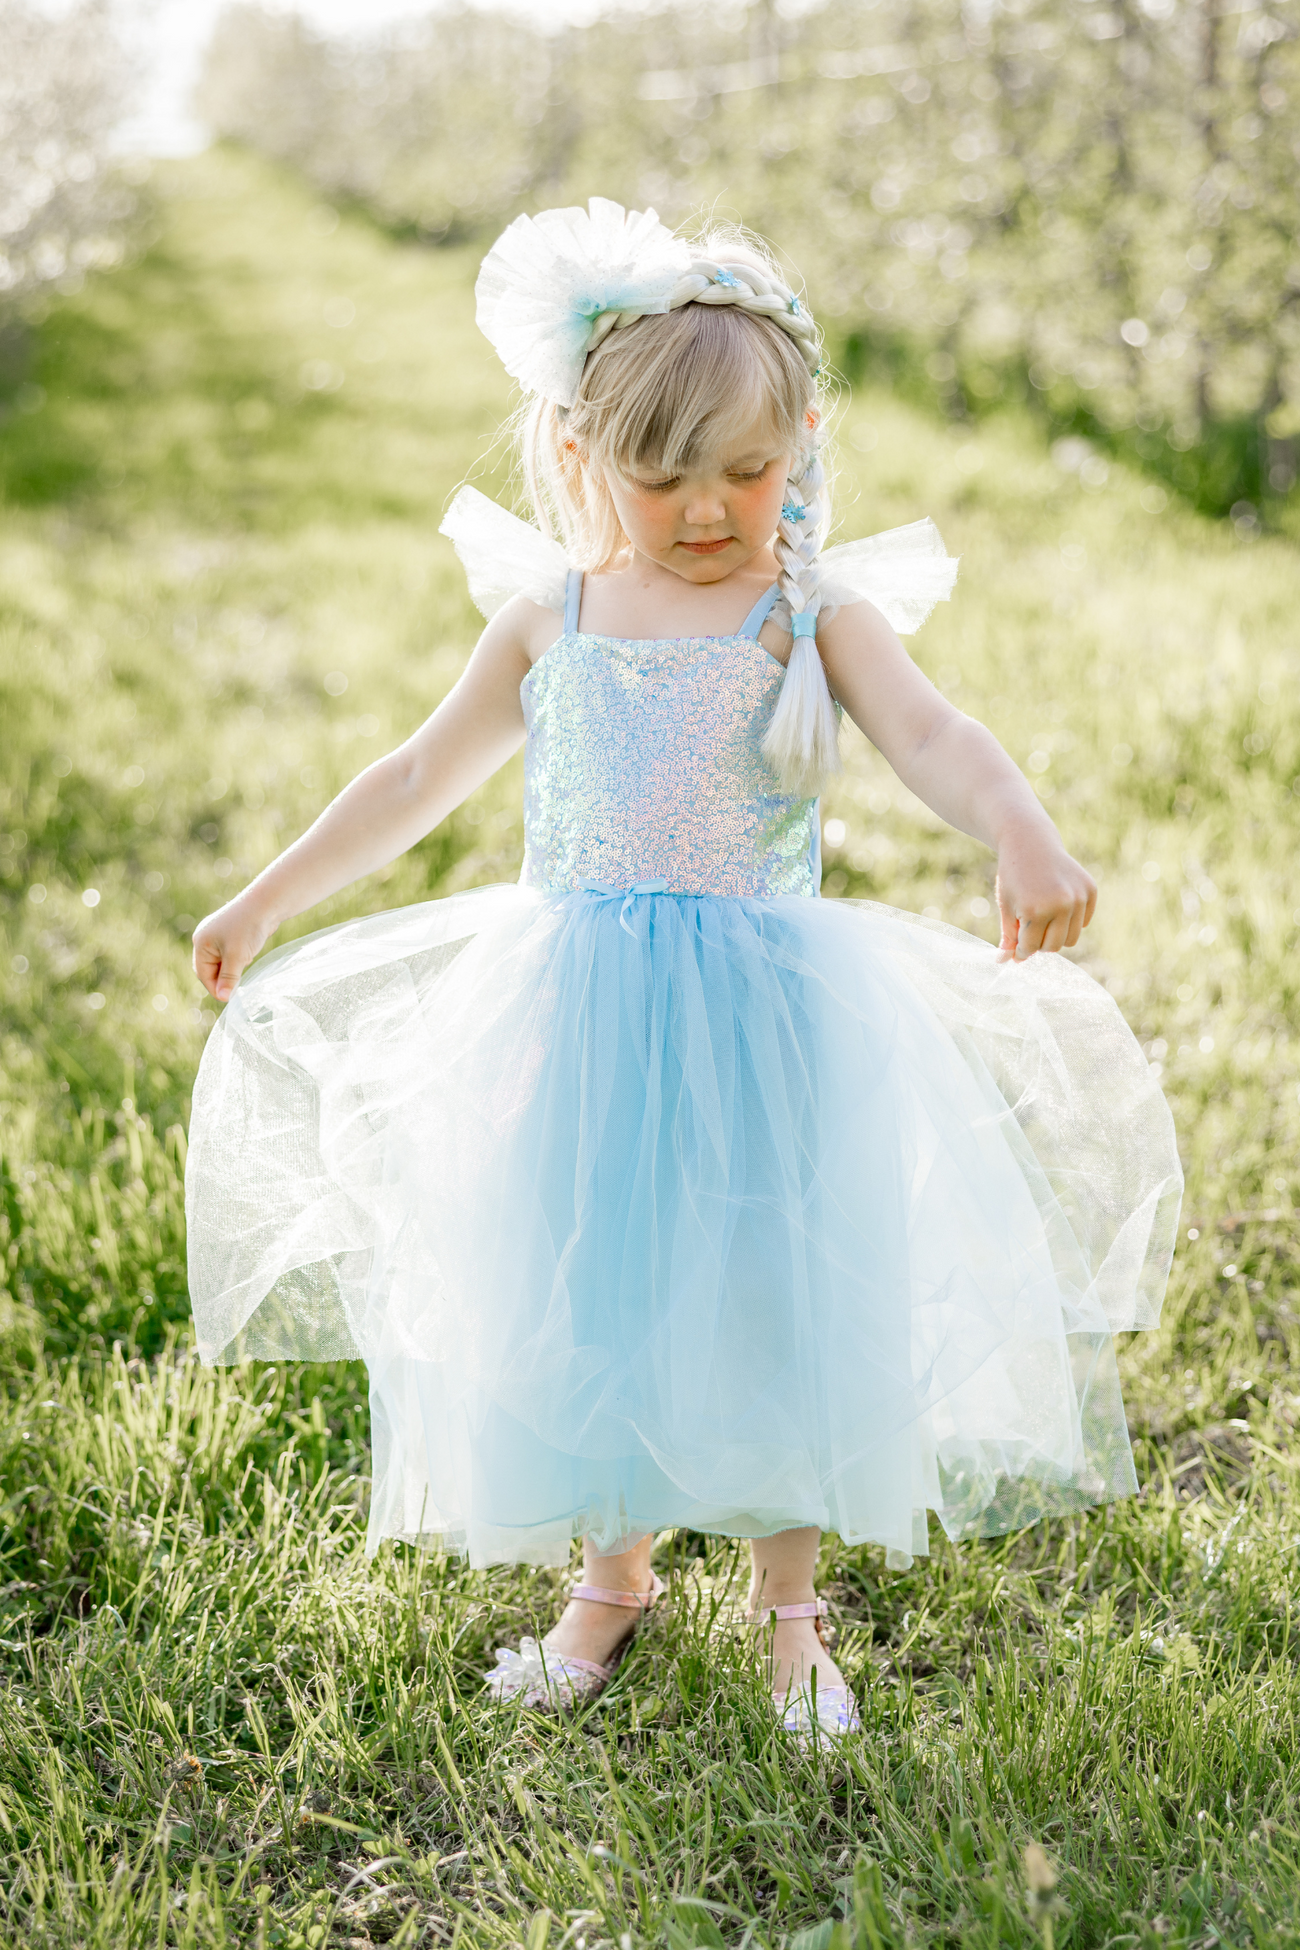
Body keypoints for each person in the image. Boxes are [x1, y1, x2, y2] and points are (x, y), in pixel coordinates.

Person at [186, 199, 1182, 1742]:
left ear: (801, 451)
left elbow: (935, 734)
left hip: (770, 1020)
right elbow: (410, 777)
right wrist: (265, 896)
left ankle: (792, 1611)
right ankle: (613, 1573)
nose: (711, 509)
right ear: (588, 463)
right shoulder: (553, 616)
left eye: (750, 470)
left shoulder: (812, 615)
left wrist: (1020, 828)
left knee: (778, 1293)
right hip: (583, 1015)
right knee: (599, 1283)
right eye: (664, 479)